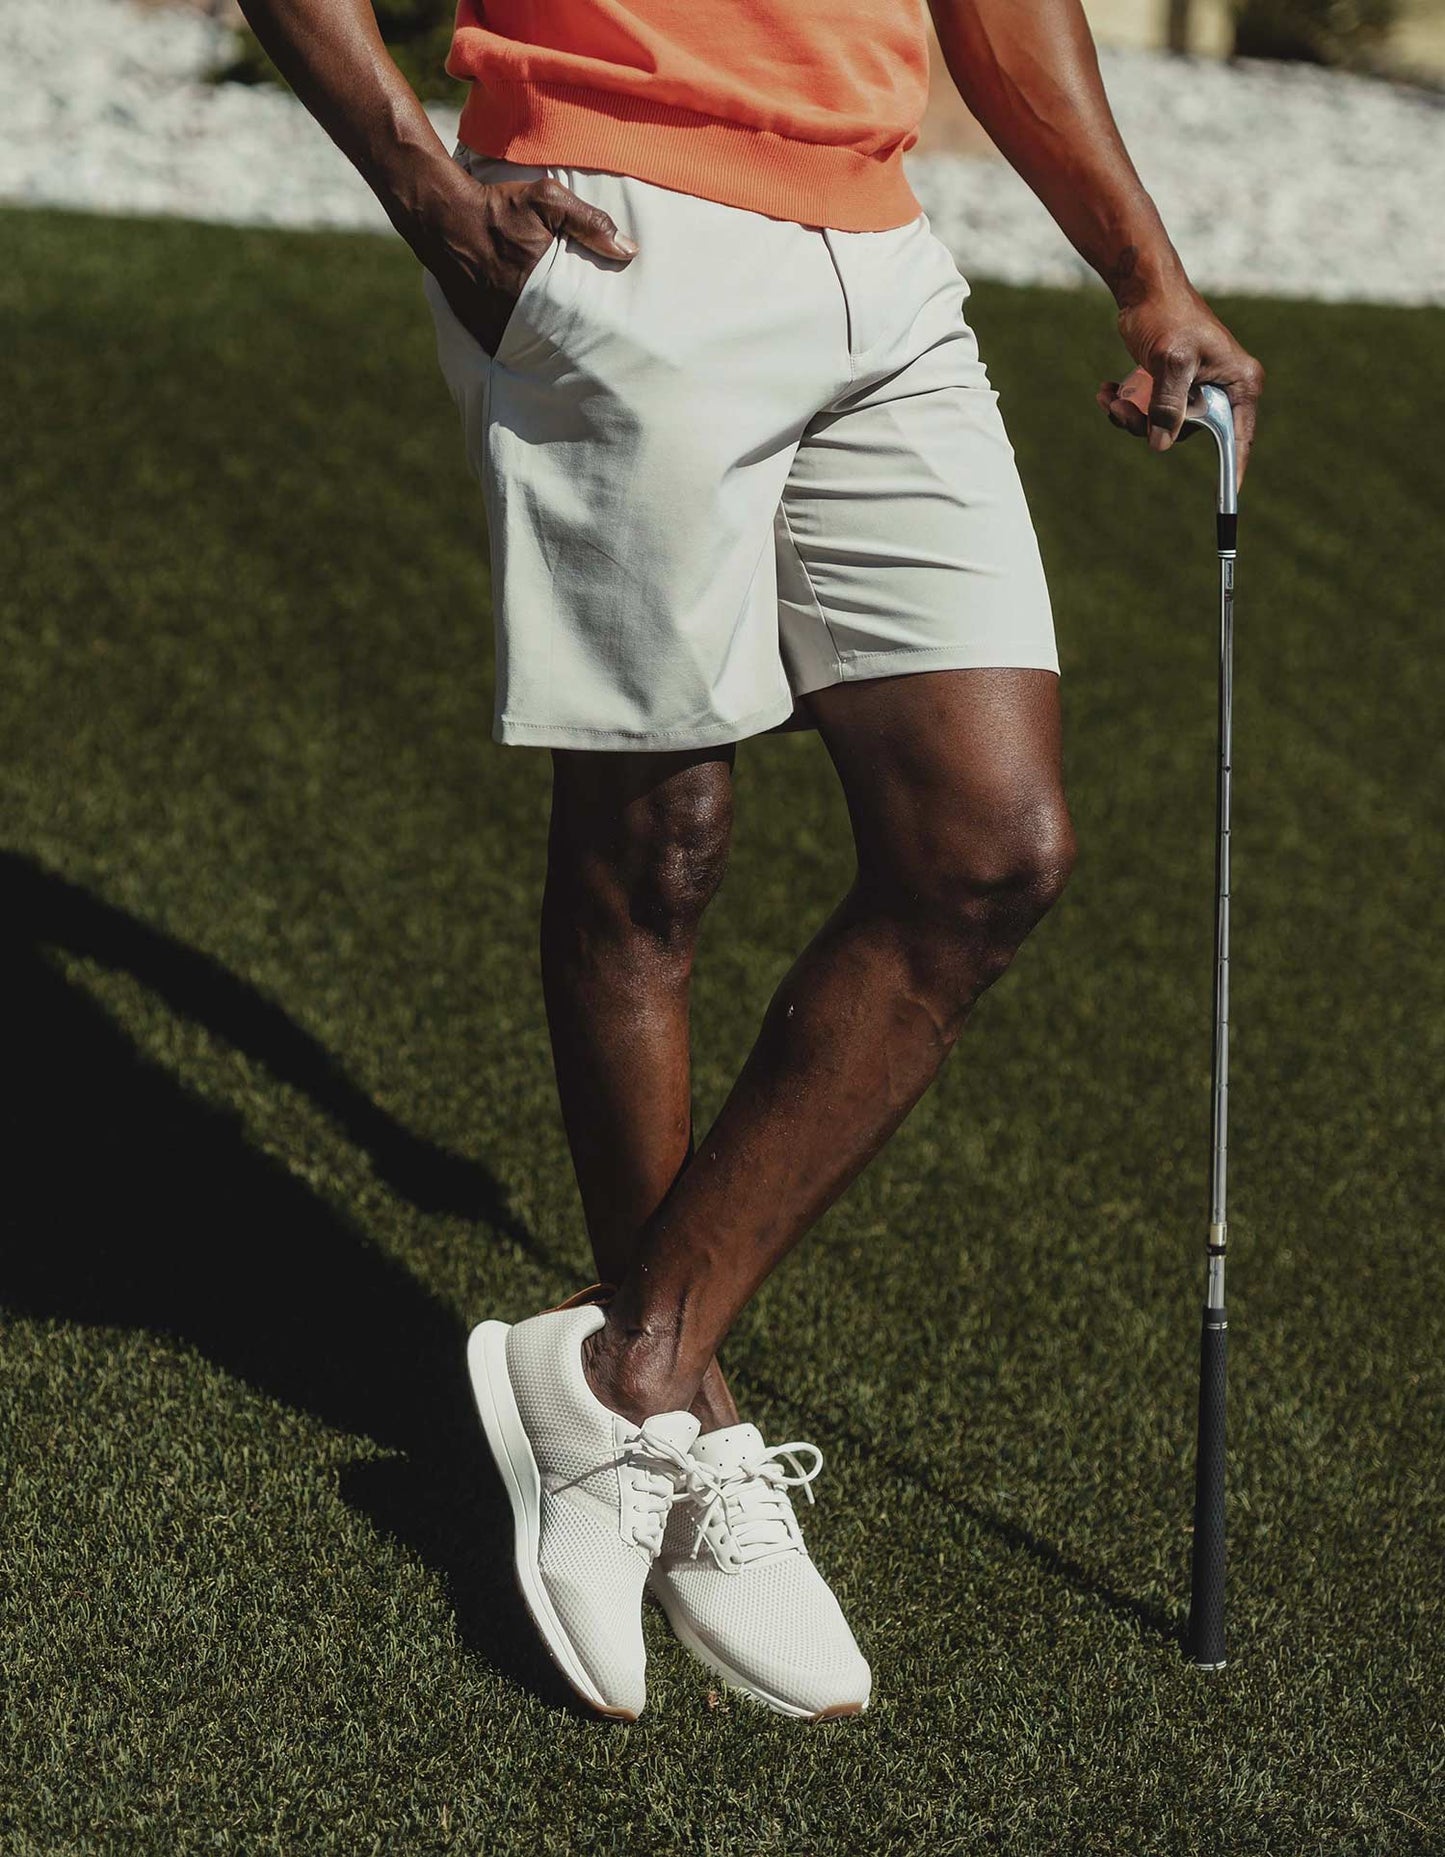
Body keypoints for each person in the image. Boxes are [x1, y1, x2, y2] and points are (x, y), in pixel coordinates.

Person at [238, 0, 1263, 1721]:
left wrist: (1141, 267)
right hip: (614, 222)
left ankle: (627, 1369)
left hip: (880, 259)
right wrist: (421, 183)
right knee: (660, 837)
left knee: (989, 848)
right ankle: (677, 1426)